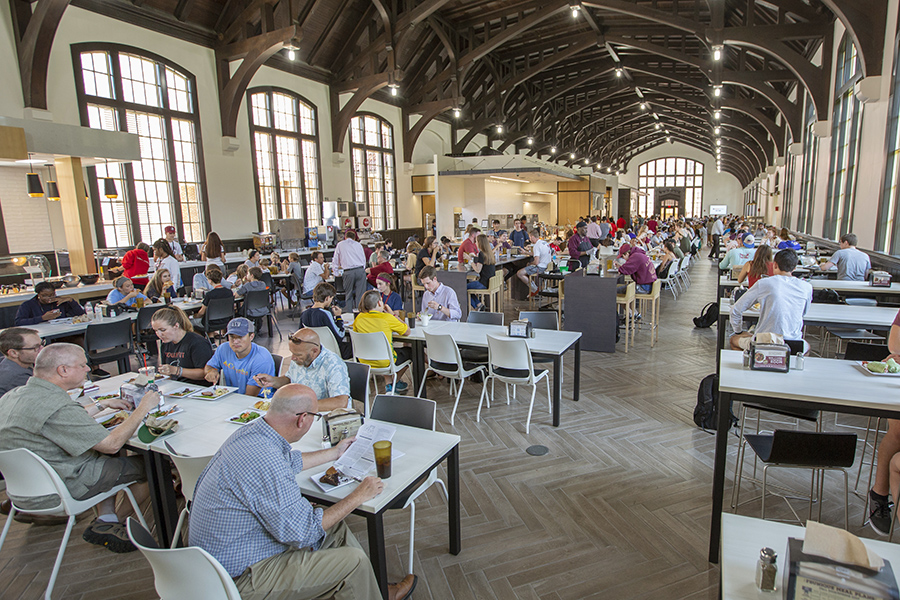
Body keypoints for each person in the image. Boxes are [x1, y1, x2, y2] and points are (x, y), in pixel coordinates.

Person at [188, 383, 417, 600]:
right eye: (315, 417)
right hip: (236, 579)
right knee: (352, 560)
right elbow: (303, 532)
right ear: (302, 420)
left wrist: (335, 453)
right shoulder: (267, 461)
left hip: (215, 560)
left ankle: (373, 590)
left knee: (333, 525)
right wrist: (358, 496)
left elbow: (288, 461)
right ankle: (366, 589)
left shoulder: (252, 434)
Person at [0, 343, 159, 552]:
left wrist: (101, 405)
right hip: (63, 486)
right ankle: (114, 521)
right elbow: (111, 445)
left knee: (98, 454)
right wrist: (143, 408)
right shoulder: (57, 405)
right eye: (83, 365)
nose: (87, 369)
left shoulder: (13, 396)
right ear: (63, 370)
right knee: (153, 466)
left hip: (21, 489)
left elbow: (58, 422)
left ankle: (106, 518)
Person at [253, 329, 356, 412]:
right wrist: (273, 381)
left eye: (298, 355)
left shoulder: (333, 364)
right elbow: (290, 379)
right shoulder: (299, 358)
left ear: (314, 351)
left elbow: (340, 402)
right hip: (303, 414)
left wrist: (301, 406)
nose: (292, 358)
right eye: (292, 353)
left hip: (327, 416)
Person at [729, 249, 812, 351]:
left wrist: (739, 331)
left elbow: (736, 310)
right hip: (792, 343)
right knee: (806, 348)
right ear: (794, 268)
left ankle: (749, 363)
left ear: (775, 265)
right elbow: (803, 312)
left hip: (764, 341)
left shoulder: (764, 283)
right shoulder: (807, 287)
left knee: (734, 340)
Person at [352, 290, 411, 393]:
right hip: (385, 361)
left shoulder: (359, 318)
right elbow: (407, 331)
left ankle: (389, 385)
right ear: (380, 303)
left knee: (383, 350)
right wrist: (393, 314)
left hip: (364, 360)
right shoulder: (387, 318)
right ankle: (395, 382)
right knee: (409, 352)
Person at [205, 318, 275, 396]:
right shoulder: (223, 348)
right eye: (232, 337)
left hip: (257, 402)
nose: (235, 341)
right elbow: (209, 366)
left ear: (251, 336)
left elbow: (249, 396)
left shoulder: (261, 358)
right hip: (232, 398)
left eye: (240, 337)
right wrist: (211, 371)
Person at [152, 306, 214, 385]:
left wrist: (177, 371)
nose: (159, 334)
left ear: (176, 326)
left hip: (197, 387)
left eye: (163, 330)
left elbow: (206, 373)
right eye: (156, 331)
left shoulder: (197, 343)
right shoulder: (166, 344)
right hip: (176, 386)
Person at [300, 282, 352, 359]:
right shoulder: (325, 314)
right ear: (327, 298)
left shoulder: (304, 314)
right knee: (355, 345)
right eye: (331, 298)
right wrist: (338, 317)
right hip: (333, 351)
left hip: (315, 352)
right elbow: (340, 335)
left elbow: (300, 335)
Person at [15, 281, 86, 325]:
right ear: (38, 295)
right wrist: (42, 318)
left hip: (62, 331)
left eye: (52, 294)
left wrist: (71, 301)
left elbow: (81, 315)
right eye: (44, 295)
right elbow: (19, 322)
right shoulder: (28, 305)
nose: (49, 297)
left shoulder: (60, 302)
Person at [0, 327, 41, 396]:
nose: (42, 349)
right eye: (35, 347)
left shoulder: (6, 362)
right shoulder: (18, 377)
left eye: (42, 343)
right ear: (13, 353)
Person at [333, 229, 367, 312]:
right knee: (360, 294)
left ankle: (349, 313)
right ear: (354, 238)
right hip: (360, 270)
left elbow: (336, 259)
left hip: (348, 271)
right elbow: (363, 259)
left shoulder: (340, 244)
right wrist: (363, 269)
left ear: (345, 237)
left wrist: (336, 272)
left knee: (348, 294)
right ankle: (360, 312)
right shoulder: (359, 245)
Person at [193, 267, 234, 332]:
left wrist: (194, 316)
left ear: (210, 280)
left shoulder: (210, 295)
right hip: (226, 320)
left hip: (211, 322)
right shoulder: (229, 292)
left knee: (191, 322)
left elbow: (202, 312)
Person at [517, 230, 552, 297]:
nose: (529, 239)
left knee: (520, 273)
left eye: (530, 237)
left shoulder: (536, 246)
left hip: (540, 268)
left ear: (533, 237)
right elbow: (537, 254)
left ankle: (534, 289)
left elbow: (536, 262)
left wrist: (530, 263)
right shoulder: (545, 243)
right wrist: (526, 252)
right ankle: (535, 288)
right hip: (547, 266)